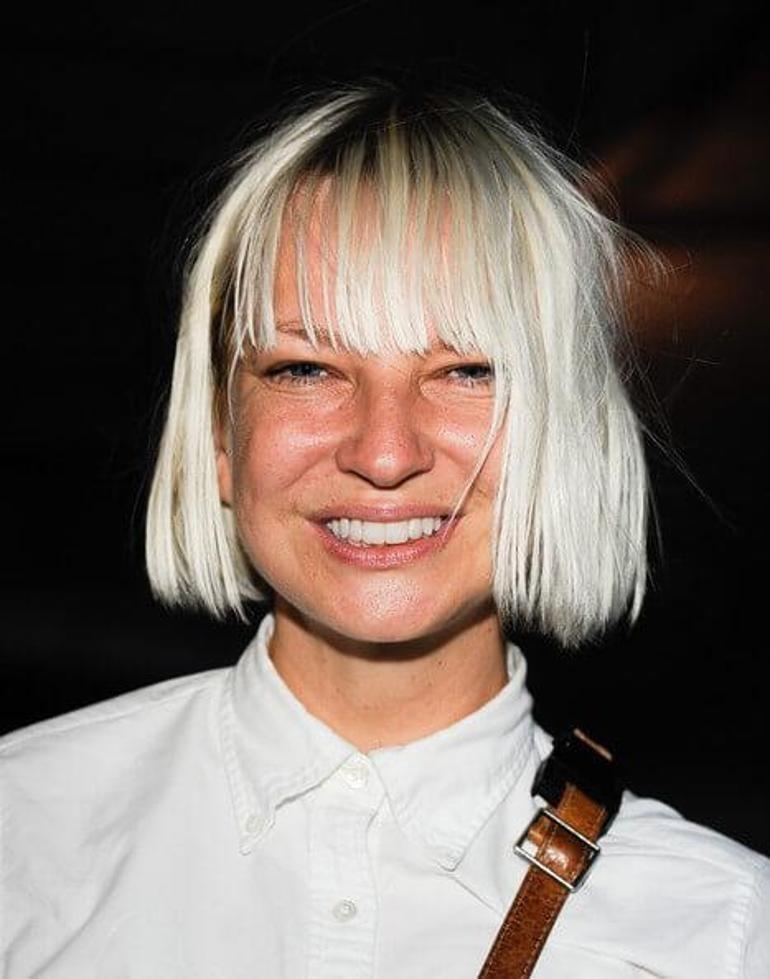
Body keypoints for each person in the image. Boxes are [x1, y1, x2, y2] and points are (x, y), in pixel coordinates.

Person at [1, 82, 768, 978]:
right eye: (307, 367)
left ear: (566, 436)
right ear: (219, 433)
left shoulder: (726, 933)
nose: (385, 452)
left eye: (468, 369)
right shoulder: (23, 834)